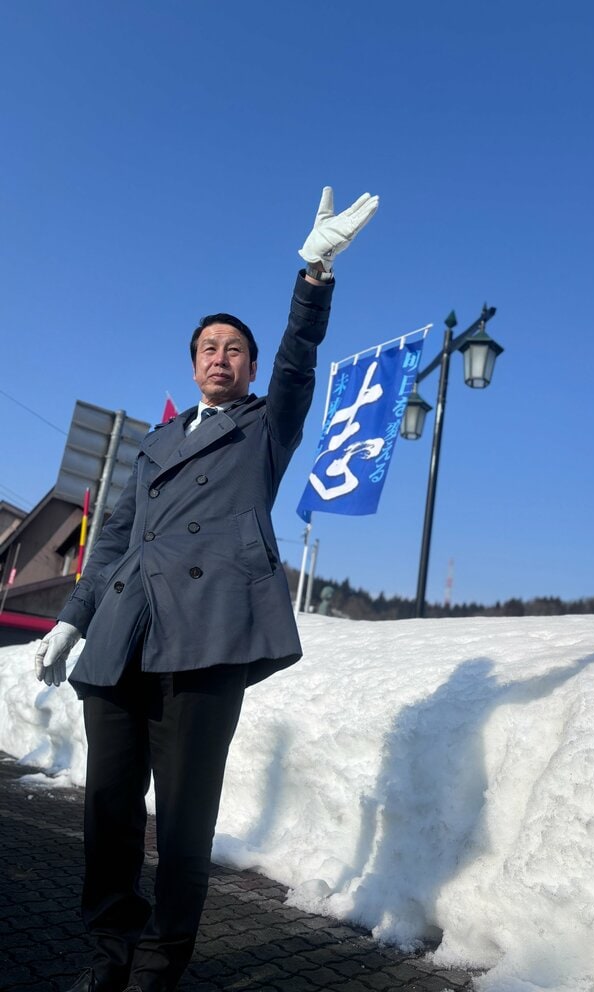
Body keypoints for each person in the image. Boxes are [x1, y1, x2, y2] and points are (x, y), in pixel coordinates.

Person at [34, 186, 379, 992]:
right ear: (191, 365)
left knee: (184, 830)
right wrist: (72, 622)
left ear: (249, 368)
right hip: (121, 642)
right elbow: (115, 537)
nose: (219, 357)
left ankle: (159, 966)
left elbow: (301, 364)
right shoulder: (155, 444)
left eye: (233, 349)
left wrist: (315, 275)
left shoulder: (264, 428)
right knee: (108, 819)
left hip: (205, 644)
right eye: (207, 348)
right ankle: (108, 953)